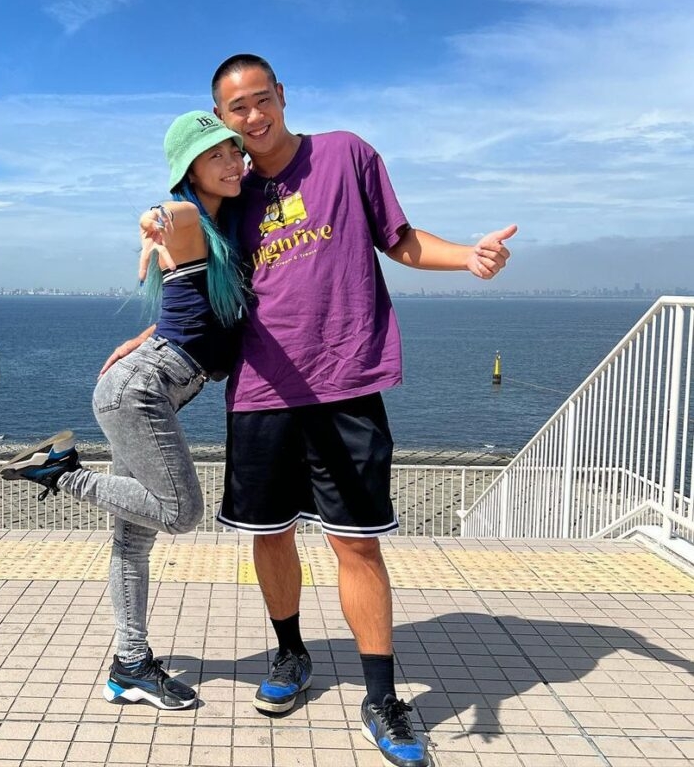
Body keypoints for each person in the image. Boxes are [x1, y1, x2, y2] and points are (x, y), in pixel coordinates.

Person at [127, 55, 516, 767]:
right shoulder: (230, 186)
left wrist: (468, 257)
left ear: (282, 96)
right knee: (270, 535)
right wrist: (155, 316)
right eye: (235, 109)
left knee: (356, 543)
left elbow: (398, 239)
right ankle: (290, 654)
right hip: (261, 392)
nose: (252, 117)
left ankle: (381, 695)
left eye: (260, 100)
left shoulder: (346, 153)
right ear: (222, 120)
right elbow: (194, 259)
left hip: (345, 382)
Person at [1, 110, 247, 711]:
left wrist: (146, 332)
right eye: (215, 154)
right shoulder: (187, 217)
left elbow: (192, 317)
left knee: (133, 544)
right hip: (140, 392)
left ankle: (130, 666)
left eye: (235, 151)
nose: (232, 161)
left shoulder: (222, 226)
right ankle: (62, 472)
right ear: (188, 169)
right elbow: (162, 215)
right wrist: (150, 223)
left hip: (144, 386)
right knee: (181, 512)